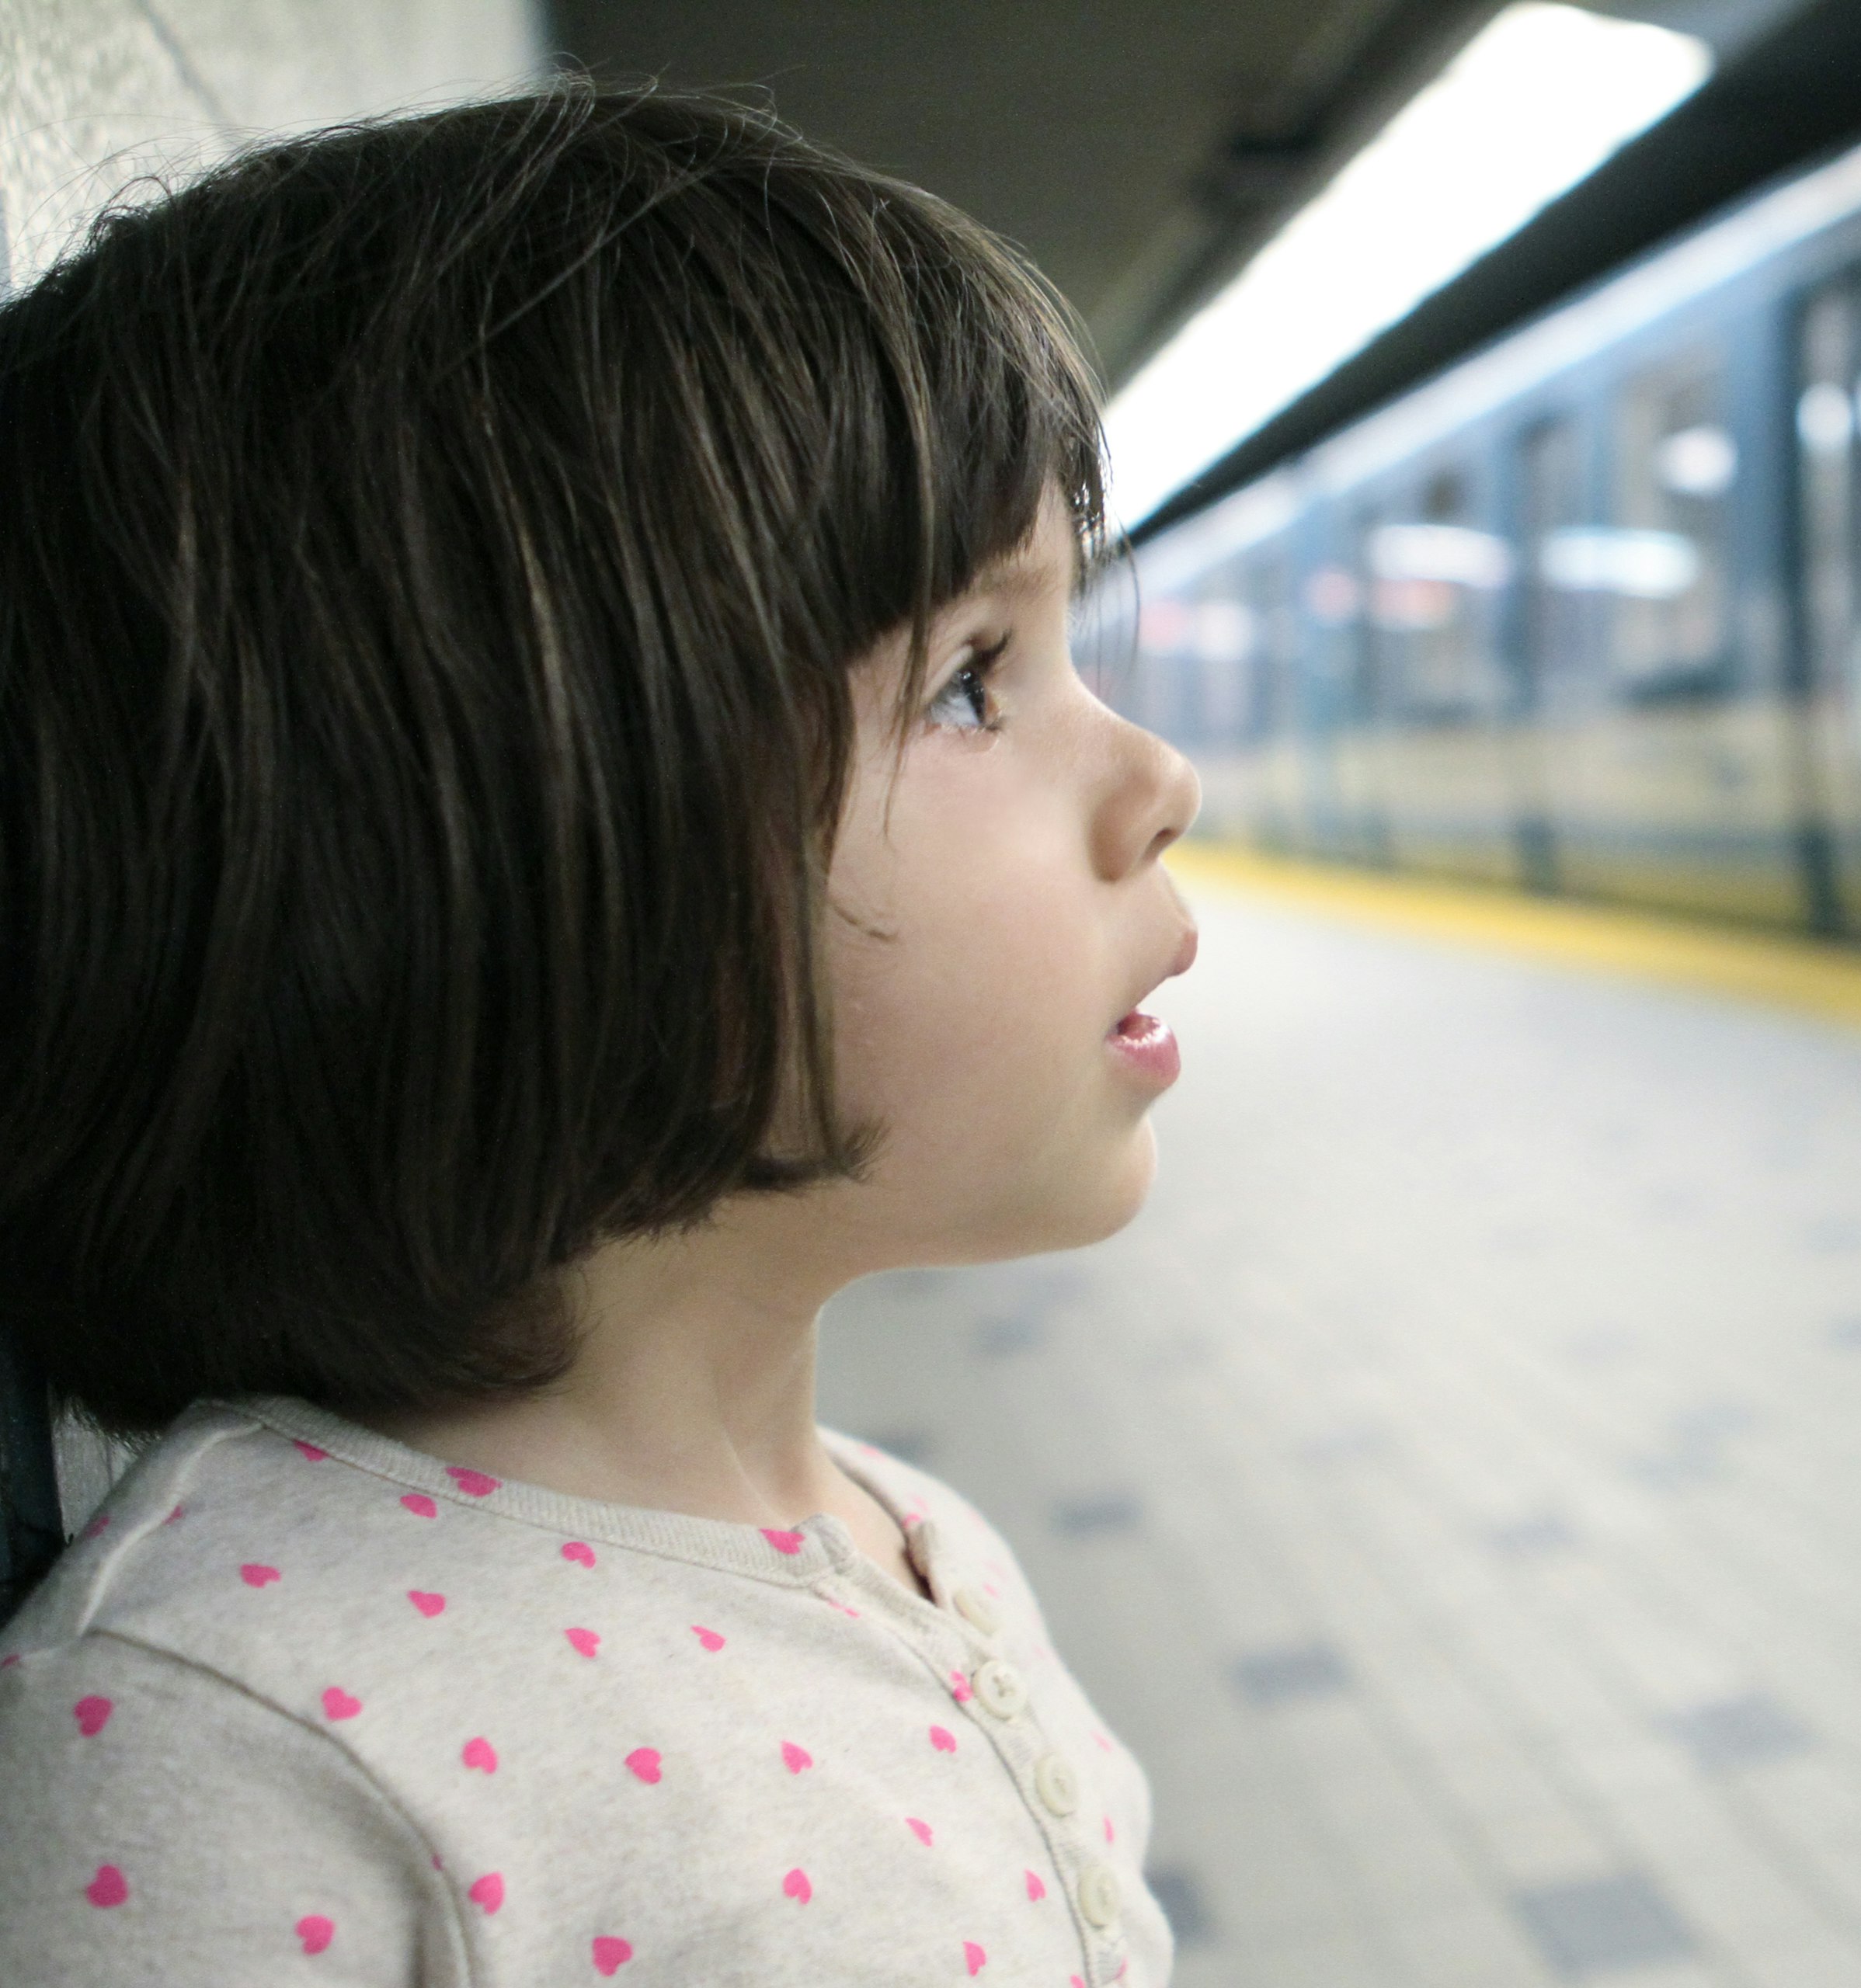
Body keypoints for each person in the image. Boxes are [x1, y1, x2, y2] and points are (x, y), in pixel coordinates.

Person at [0, 82, 1200, 1984]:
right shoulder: (240, 1740)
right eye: (976, 679)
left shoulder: (915, 1536)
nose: (1154, 777)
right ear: (510, 839)